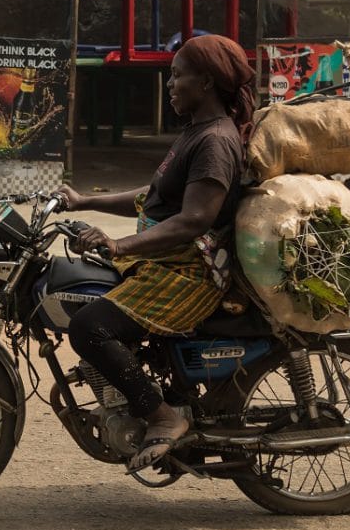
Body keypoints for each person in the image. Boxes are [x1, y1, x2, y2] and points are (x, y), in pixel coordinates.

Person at [57, 34, 253, 472]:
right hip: (167, 262)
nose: (169, 84)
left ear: (205, 82)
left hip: (190, 272)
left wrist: (118, 243)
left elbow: (194, 219)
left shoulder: (215, 141)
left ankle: (162, 415)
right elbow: (155, 197)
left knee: (90, 327)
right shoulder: (195, 133)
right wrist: (86, 200)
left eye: (177, 75)